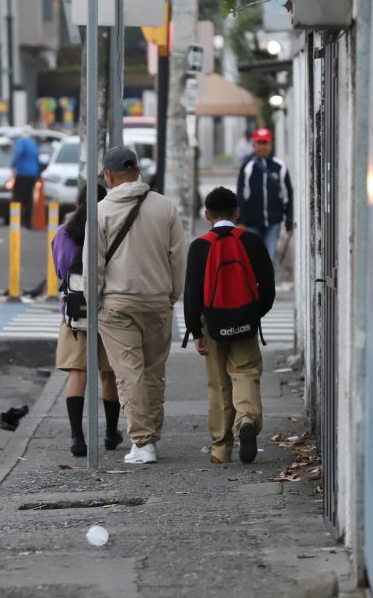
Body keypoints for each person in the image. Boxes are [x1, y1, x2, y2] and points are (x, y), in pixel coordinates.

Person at [90, 146, 186, 464]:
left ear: (109, 175)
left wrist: (94, 301)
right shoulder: (165, 207)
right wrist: (172, 295)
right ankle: (150, 437)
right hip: (158, 300)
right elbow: (177, 257)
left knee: (128, 373)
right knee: (154, 372)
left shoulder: (101, 211)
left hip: (117, 304)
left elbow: (94, 264)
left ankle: (143, 442)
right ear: (138, 172)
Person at [183, 187, 275, 464]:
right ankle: (247, 421)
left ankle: (221, 449)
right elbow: (267, 286)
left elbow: (192, 293)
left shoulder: (199, 246)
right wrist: (254, 313)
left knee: (219, 384)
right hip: (245, 319)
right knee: (246, 372)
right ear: (237, 212)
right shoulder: (251, 241)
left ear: (207, 215)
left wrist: (196, 331)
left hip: (211, 323)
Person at [52, 183, 123, 457]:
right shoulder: (111, 229)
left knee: (77, 372)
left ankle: (77, 437)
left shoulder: (63, 232)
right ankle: (111, 433)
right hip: (107, 308)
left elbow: (60, 271)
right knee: (109, 373)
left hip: (74, 313)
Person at [237, 127, 293, 263]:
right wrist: (240, 221)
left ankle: (269, 278)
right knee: (252, 259)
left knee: (270, 257)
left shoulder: (280, 167)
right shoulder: (247, 167)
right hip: (251, 223)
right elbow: (241, 196)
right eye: (259, 143)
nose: (262, 146)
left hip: (273, 222)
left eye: (265, 143)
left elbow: (287, 195)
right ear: (254, 145)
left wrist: (289, 222)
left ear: (271, 144)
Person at [10, 132, 41, 227]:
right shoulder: (33, 143)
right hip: (32, 174)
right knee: (29, 198)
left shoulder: (22, 142)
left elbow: (18, 153)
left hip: (22, 173)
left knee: (17, 197)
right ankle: (28, 221)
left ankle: (16, 220)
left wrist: (13, 165)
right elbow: (37, 158)